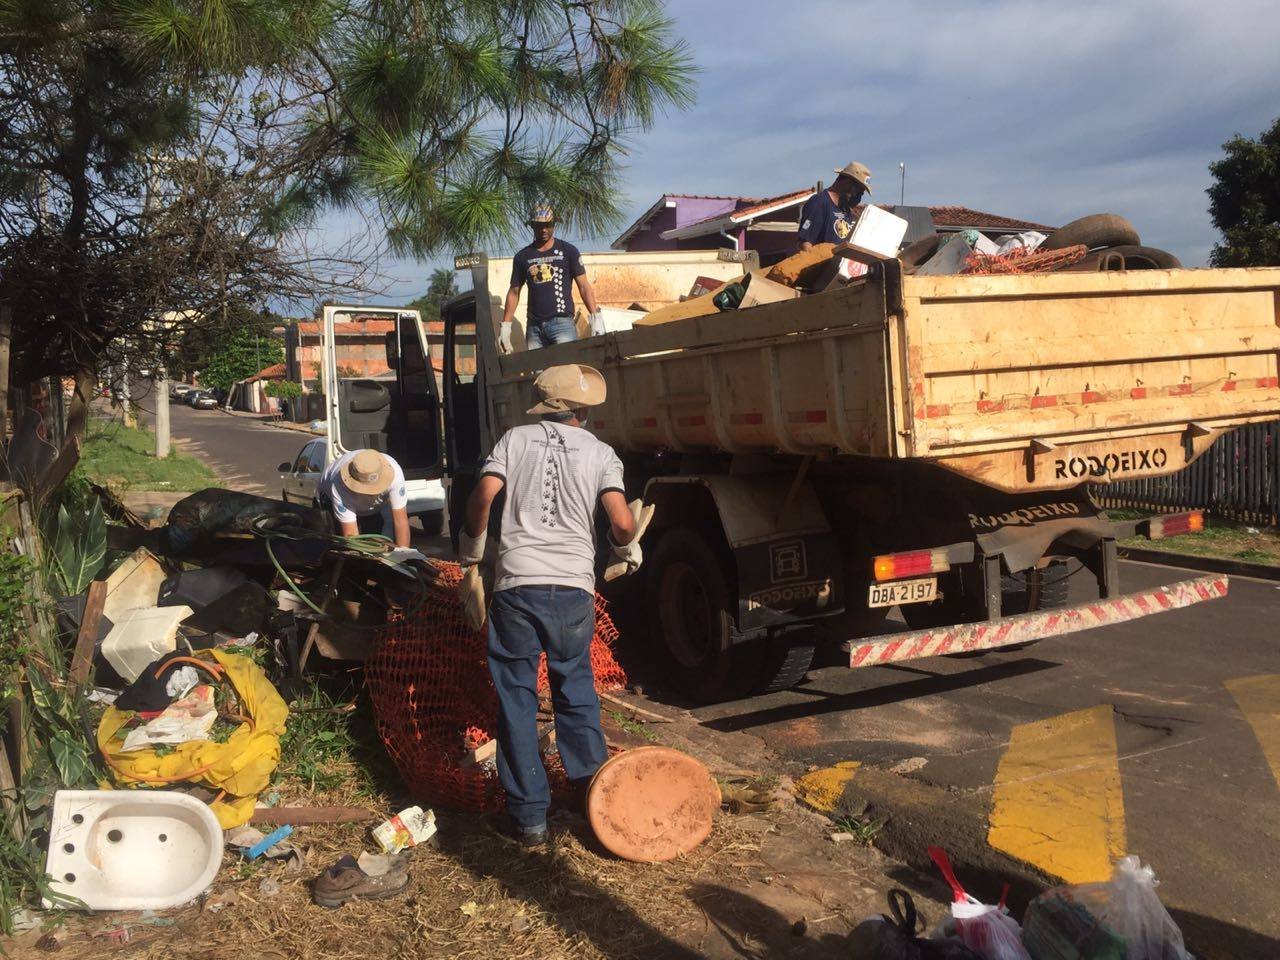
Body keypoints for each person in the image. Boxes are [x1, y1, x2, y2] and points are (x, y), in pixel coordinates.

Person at [459, 363, 645, 847]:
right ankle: (593, 802)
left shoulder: (513, 440)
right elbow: (621, 522)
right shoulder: (601, 453)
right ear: (581, 408)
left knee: (517, 699)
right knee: (574, 688)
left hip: (516, 585)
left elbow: (483, 496)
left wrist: (474, 551)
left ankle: (529, 819)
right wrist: (625, 545)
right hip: (572, 590)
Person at [499, 204, 604, 352]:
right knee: (539, 375)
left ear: (554, 224)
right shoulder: (523, 256)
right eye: (539, 226)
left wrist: (595, 318)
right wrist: (506, 327)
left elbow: (584, 286)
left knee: (566, 371)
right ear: (532, 226)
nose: (544, 230)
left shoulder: (568, 251)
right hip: (534, 328)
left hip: (562, 324)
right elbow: (514, 291)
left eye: (548, 225)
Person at [318, 448, 411, 548]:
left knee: (377, 541)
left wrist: (403, 553)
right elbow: (351, 535)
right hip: (330, 497)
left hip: (374, 508)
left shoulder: (395, 474)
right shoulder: (338, 485)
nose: (371, 492)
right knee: (340, 546)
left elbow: (401, 521)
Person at [797, 161, 874, 251]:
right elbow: (805, 245)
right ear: (847, 182)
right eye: (859, 191)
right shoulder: (819, 203)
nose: (859, 197)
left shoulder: (846, 211)